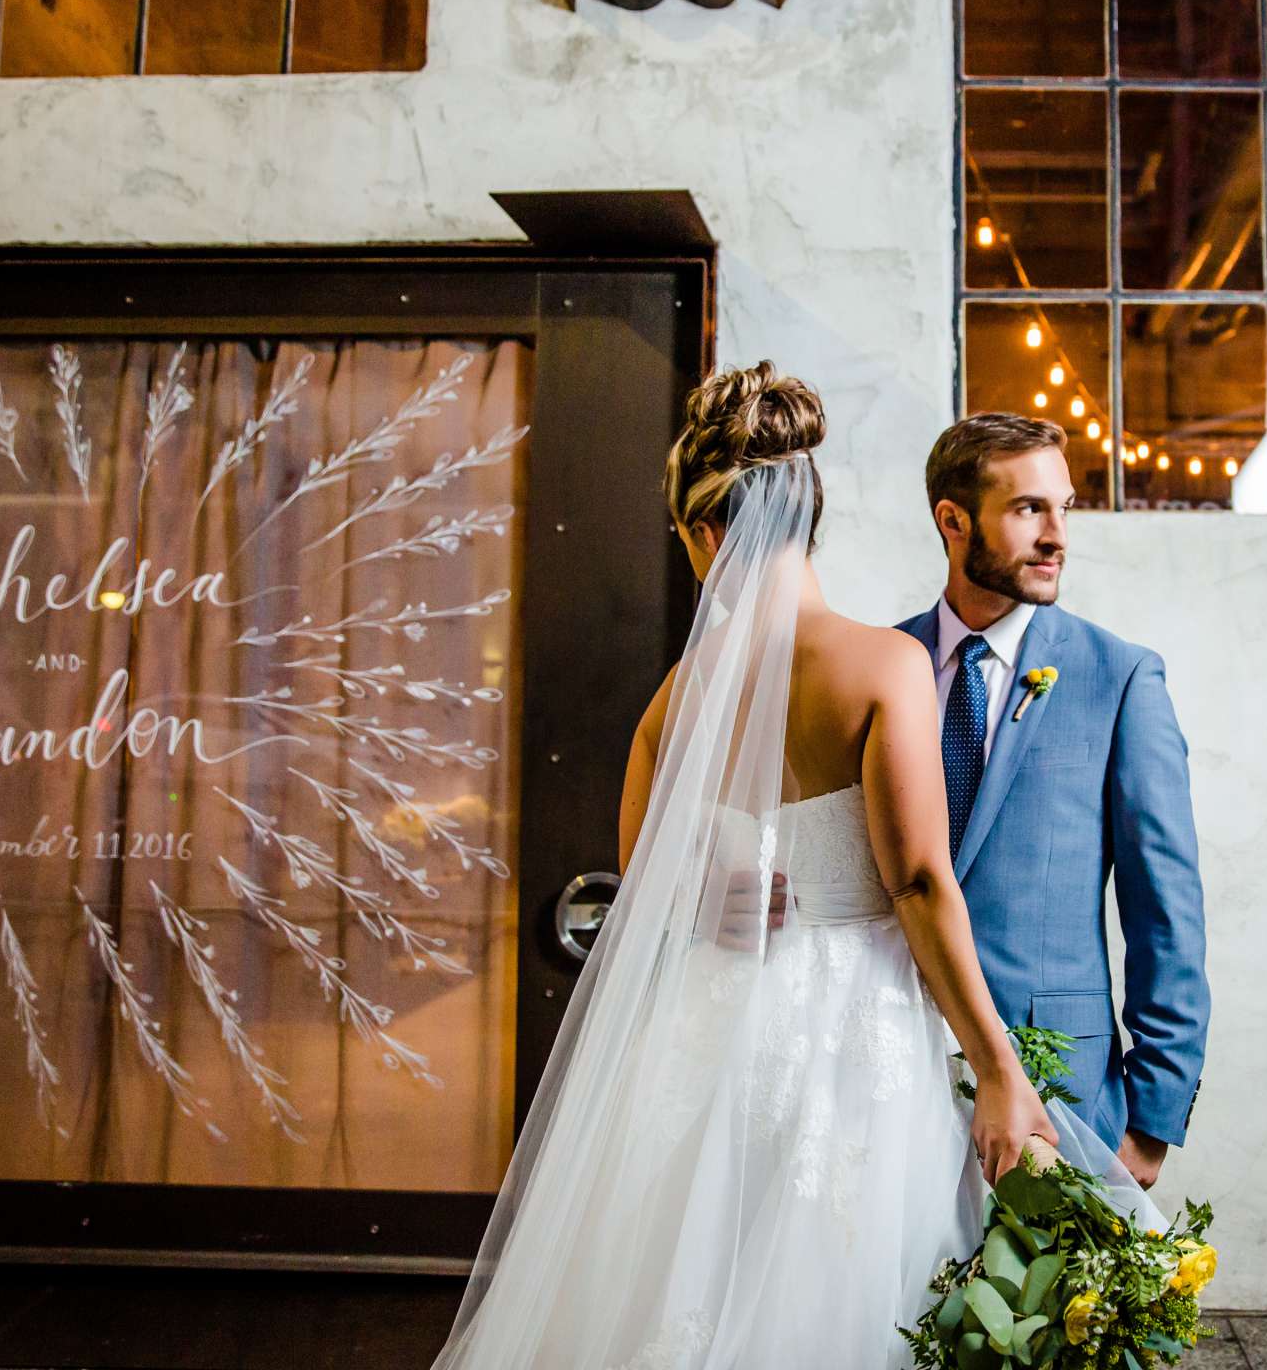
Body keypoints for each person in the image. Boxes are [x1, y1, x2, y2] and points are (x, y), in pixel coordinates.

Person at [427, 363, 1161, 1370]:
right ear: (808, 512)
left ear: (703, 533)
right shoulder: (881, 665)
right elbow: (916, 881)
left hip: (710, 1033)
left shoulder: (672, 704)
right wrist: (997, 1069)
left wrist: (709, 901)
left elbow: (651, 890)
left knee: (679, 1287)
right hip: (858, 1047)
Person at [895, 414, 1209, 1191]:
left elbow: (1166, 912)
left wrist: (1152, 1120)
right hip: (887, 1073)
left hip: (1062, 1095)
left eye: (1064, 508)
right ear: (953, 519)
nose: (1057, 535)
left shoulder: (1119, 677)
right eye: (1029, 508)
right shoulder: (879, 667)